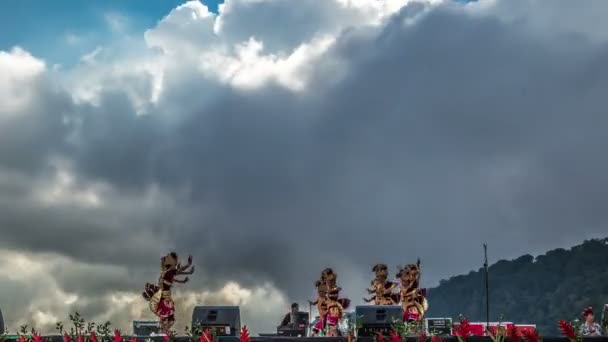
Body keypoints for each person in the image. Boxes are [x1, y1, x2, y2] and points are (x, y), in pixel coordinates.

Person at [142, 252, 195, 333]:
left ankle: (163, 332)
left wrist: (185, 277)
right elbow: (178, 271)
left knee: (167, 319)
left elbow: (177, 273)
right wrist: (188, 265)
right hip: (163, 297)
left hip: (163, 297)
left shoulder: (167, 272)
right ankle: (163, 332)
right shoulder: (169, 272)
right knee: (169, 320)